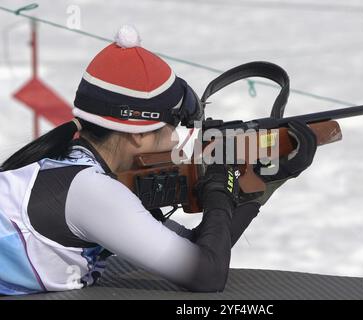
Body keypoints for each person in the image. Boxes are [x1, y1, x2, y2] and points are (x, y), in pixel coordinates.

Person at [0, 25, 317, 295]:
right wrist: (221, 184)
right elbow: (207, 274)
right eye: (174, 126)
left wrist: (266, 180)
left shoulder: (77, 167)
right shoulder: (93, 191)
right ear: (138, 134)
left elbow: (195, 249)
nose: (177, 139)